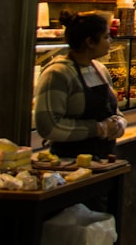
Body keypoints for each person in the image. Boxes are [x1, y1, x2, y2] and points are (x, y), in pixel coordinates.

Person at [34, 11, 127, 161]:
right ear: (90, 42)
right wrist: (98, 128)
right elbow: (48, 126)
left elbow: (114, 111)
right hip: (70, 163)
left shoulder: (100, 70)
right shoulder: (58, 73)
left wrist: (119, 124)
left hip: (104, 160)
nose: (110, 41)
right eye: (106, 37)